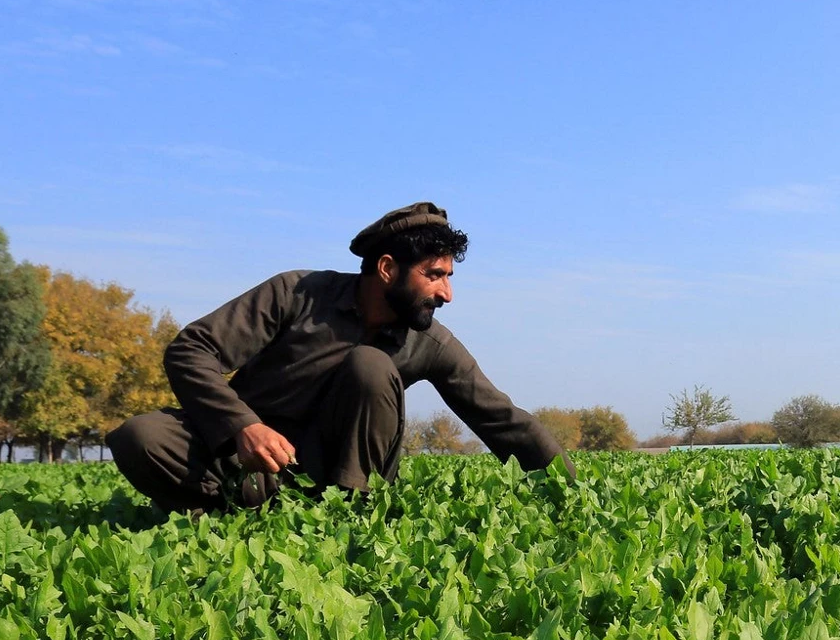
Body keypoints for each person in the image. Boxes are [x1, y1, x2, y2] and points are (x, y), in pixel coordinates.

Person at [107, 202, 565, 512]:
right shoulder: (296, 293)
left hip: (341, 479)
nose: (447, 292)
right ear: (387, 269)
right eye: (434, 275)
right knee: (140, 435)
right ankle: (228, 511)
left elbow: (503, 421)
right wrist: (241, 426)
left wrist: (573, 493)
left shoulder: (430, 343)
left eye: (448, 276)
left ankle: (350, 516)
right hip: (250, 462)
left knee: (369, 364)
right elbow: (192, 349)